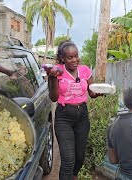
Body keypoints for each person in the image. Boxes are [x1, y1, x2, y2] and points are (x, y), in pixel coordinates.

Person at [48, 40, 104, 180]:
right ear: (62, 59)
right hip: (64, 117)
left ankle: (74, 176)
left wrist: (101, 91)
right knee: (68, 159)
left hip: (82, 117)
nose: (75, 60)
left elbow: (92, 93)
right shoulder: (57, 71)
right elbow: (54, 98)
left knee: (80, 157)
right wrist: (52, 78)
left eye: (76, 56)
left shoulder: (85, 70)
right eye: (70, 57)